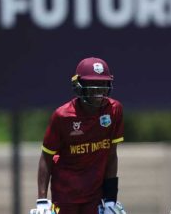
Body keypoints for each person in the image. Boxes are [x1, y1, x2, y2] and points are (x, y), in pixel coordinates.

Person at [31, 57, 127, 214]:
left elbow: (111, 155)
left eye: (102, 85)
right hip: (64, 196)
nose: (99, 92)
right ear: (80, 87)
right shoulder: (62, 116)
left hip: (95, 197)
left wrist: (110, 199)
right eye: (93, 86)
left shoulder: (114, 110)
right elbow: (46, 157)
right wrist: (42, 200)